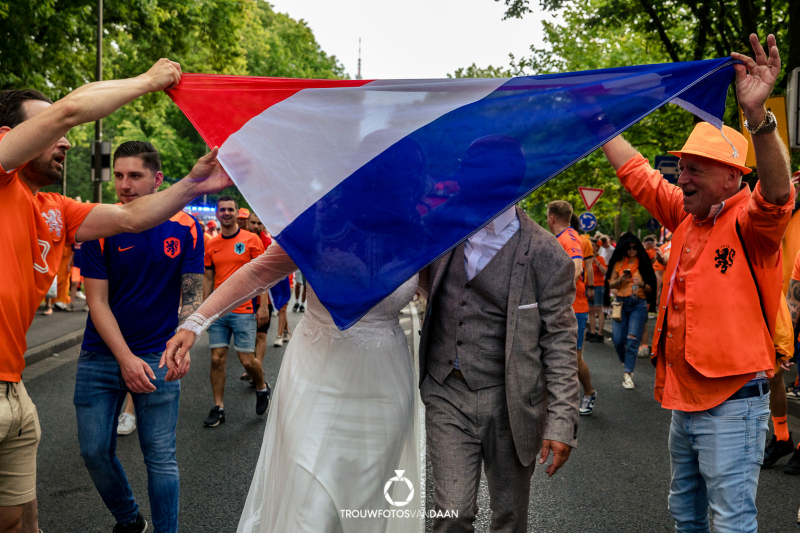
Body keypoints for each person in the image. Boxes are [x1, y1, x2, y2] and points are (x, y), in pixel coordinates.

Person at [0, 59, 230, 533]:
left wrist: (193, 185)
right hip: (89, 359)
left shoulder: (56, 209)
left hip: (15, 388)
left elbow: (130, 218)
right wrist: (150, 82)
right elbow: (68, 113)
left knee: (24, 521)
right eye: (48, 129)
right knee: (89, 456)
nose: (64, 140)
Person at [600, 34, 792, 531]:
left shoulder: (753, 224)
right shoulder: (687, 215)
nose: (681, 176)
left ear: (732, 178)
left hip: (733, 404)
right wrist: (599, 123)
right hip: (682, 402)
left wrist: (759, 120)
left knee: (730, 522)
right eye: (681, 167)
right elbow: (640, 174)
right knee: (685, 515)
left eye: (695, 169)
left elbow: (776, 194)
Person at [164, 248, 423, 532]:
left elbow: (449, 292)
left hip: (384, 387)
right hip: (315, 377)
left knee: (365, 509)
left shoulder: (416, 228)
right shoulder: (315, 219)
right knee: (308, 511)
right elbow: (257, 272)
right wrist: (195, 323)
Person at [418, 204, 579, 531]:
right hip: (445, 389)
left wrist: (562, 422)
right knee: (452, 513)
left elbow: (560, 341)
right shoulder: (441, 232)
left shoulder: (547, 253)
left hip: (512, 404)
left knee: (509, 518)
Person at [76, 141, 205, 533]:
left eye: (135, 175)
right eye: (118, 175)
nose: (125, 185)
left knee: (160, 457)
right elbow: (96, 302)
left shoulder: (187, 227)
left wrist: (187, 335)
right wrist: (125, 358)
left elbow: (191, 294)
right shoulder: (101, 225)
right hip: (99, 355)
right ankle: (130, 519)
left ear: (158, 179)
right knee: (94, 452)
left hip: (158, 355)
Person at [203, 196, 269, 427]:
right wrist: (205, 311)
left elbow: (263, 276)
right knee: (216, 359)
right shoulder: (211, 244)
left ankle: (261, 387)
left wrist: (263, 305)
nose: (227, 213)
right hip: (219, 312)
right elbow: (208, 279)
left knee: (247, 361)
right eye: (223, 209)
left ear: (235, 213)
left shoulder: (251, 240)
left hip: (243, 310)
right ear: (217, 214)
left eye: (230, 209)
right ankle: (218, 407)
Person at [548, 200, 597, 415]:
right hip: (564, 306)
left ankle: (589, 393)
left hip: (574, 307)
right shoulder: (560, 237)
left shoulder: (568, 237)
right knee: (553, 354)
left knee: (573, 359)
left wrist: (558, 292)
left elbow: (577, 267)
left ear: (551, 218)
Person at [605, 233, 656, 388]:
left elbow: (651, 288)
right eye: (629, 247)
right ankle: (625, 361)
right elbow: (610, 284)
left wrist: (641, 284)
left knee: (633, 339)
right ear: (625, 248)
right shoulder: (618, 264)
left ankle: (628, 373)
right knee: (618, 339)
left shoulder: (644, 264)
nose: (632, 250)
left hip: (638, 305)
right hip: (620, 303)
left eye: (635, 247)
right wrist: (620, 280)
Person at [246, 211, 272, 381]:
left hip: (264, 297)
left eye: (259, 223)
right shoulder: (241, 239)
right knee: (250, 336)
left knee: (261, 335)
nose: (256, 226)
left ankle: (258, 371)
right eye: (253, 222)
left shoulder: (268, 242)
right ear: (247, 223)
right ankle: (252, 367)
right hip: (245, 299)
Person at [587, 237, 607, 343]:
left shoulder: (600, 258)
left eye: (593, 245)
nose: (591, 247)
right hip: (588, 286)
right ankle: (592, 332)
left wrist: (596, 261)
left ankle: (600, 333)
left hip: (598, 285)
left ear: (597, 247)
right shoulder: (586, 257)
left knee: (599, 310)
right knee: (590, 311)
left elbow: (605, 272)